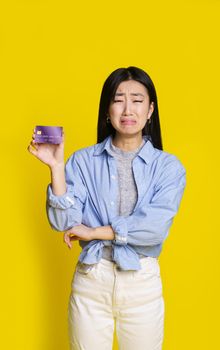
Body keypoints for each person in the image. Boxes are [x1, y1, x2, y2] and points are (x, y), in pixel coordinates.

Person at [28, 66, 186, 350]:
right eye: (118, 99)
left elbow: (154, 229)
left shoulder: (168, 168)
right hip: (92, 280)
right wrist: (56, 168)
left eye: (137, 100)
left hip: (141, 282)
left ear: (150, 110)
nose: (127, 109)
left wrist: (95, 232)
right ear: (107, 109)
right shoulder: (83, 161)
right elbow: (65, 222)